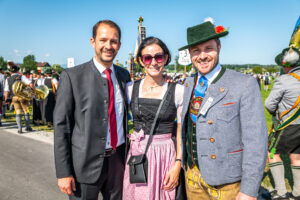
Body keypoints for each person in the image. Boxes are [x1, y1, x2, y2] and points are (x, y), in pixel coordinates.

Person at [179, 19, 268, 200]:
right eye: (196, 50)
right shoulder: (188, 83)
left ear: (219, 47)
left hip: (228, 183)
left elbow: (256, 141)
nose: (202, 56)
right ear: (190, 54)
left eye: (208, 48)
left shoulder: (244, 83)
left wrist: (249, 190)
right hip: (192, 177)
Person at [54, 19, 131, 200]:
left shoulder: (124, 75)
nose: (108, 46)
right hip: (84, 166)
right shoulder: (72, 77)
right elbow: (61, 127)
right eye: (103, 40)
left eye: (113, 41)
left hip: (118, 163)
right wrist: (63, 172)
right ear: (92, 42)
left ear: (119, 45)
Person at [123, 37, 184, 200]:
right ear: (141, 61)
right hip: (137, 154)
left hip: (165, 155)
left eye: (158, 57)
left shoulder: (178, 91)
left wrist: (177, 165)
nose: (153, 62)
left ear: (165, 58)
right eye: (147, 58)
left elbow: (180, 131)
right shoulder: (129, 89)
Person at [265, 47, 300, 200]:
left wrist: (276, 114)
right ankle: (297, 193)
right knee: (297, 157)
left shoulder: (284, 79)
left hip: (287, 126)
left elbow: (269, 104)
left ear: (286, 65)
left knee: (272, 154)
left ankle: (280, 193)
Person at [4, 61, 34, 133]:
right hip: (23, 96)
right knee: (25, 110)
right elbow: (31, 84)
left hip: (14, 97)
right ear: (17, 70)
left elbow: (6, 91)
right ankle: (27, 127)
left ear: (11, 72)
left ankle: (19, 129)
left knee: (18, 111)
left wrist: (6, 99)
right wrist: (34, 92)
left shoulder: (8, 79)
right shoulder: (22, 77)